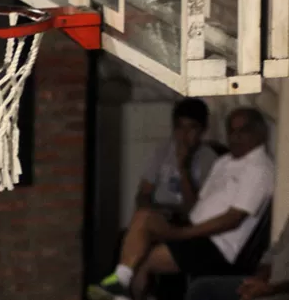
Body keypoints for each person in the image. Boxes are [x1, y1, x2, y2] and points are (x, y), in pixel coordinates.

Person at [89, 107, 275, 300]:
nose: (235, 137)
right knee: (143, 217)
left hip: (217, 245)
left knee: (145, 259)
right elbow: (195, 207)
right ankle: (120, 283)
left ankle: (120, 287)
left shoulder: (260, 168)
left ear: (259, 132)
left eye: (243, 131)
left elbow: (233, 219)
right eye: (231, 131)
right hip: (193, 230)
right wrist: (182, 168)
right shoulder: (225, 161)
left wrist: (179, 233)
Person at [135, 97, 218, 221]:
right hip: (158, 215)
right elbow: (143, 194)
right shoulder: (162, 151)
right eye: (180, 127)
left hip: (188, 222)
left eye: (191, 128)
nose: (184, 135)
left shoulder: (209, 159)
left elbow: (196, 210)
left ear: (202, 130)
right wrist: (155, 211)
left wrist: (183, 167)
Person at [186, 214, 289, 300]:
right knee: (201, 289)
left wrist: (272, 289)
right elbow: (275, 250)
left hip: (281, 290)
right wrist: (260, 278)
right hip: (270, 282)